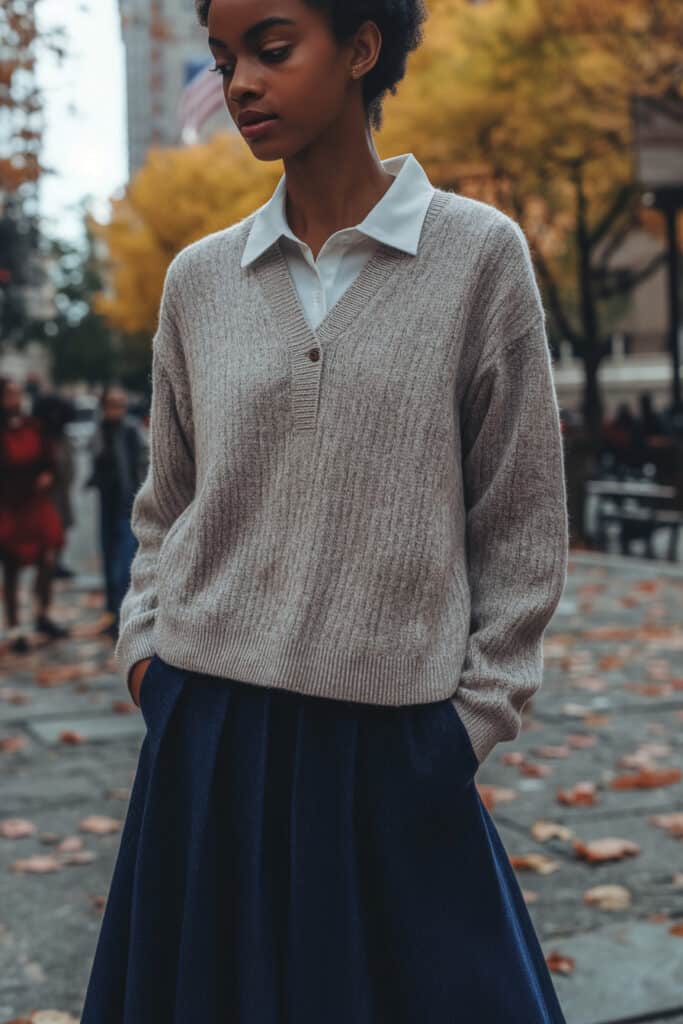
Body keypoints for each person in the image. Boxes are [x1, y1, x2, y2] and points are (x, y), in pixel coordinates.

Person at [80, 1, 569, 1021]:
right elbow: (164, 506)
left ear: (360, 46)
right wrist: (147, 664)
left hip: (395, 744)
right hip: (206, 742)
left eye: (270, 48)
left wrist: (467, 722)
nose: (242, 83)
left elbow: (520, 527)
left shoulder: (478, 257)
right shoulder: (198, 282)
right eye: (222, 59)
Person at [0, 376, 68, 652]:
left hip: (36, 505)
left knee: (47, 558)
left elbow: (49, 459)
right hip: (9, 506)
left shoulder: (34, 426)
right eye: (9, 395)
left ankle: (42, 614)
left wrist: (47, 475)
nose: (15, 400)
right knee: (12, 565)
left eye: (17, 395)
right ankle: (15, 627)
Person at [84, 384, 148, 640]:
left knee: (124, 562)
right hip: (107, 503)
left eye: (121, 404)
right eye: (112, 404)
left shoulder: (131, 431)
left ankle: (125, 615)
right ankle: (112, 612)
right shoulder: (100, 431)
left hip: (127, 502)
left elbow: (142, 464)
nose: (116, 410)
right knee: (109, 559)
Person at [32, 393, 78, 578]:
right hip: (47, 494)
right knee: (47, 529)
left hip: (62, 491)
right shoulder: (41, 438)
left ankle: (55, 563)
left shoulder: (63, 437)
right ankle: (46, 563)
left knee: (61, 527)